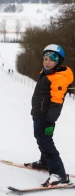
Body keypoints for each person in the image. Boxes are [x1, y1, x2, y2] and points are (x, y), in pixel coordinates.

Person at [28, 44, 73, 186]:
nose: (46, 62)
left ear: (58, 62)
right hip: (39, 113)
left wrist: (50, 122)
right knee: (40, 138)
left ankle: (59, 174)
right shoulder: (47, 73)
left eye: (50, 60)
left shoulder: (58, 78)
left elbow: (56, 102)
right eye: (45, 59)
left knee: (46, 143)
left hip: (46, 117)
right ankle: (45, 162)